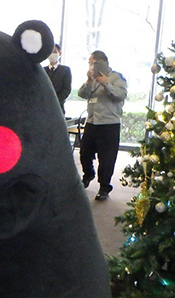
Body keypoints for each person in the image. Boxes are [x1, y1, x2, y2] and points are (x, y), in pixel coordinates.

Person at [77, 50, 127, 201]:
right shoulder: (91, 78)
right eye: (90, 63)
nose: (91, 65)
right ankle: (88, 174)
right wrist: (89, 81)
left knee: (106, 159)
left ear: (101, 61)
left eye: (92, 62)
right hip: (92, 122)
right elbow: (82, 94)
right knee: (84, 152)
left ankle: (104, 187)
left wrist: (106, 83)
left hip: (109, 124)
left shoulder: (117, 77)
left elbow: (121, 95)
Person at [45, 44, 72, 115]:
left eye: (54, 52)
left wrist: (56, 101)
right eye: (50, 52)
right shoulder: (43, 70)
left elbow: (67, 89)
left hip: (58, 107)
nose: (52, 54)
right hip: (44, 107)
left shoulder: (65, 70)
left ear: (59, 53)